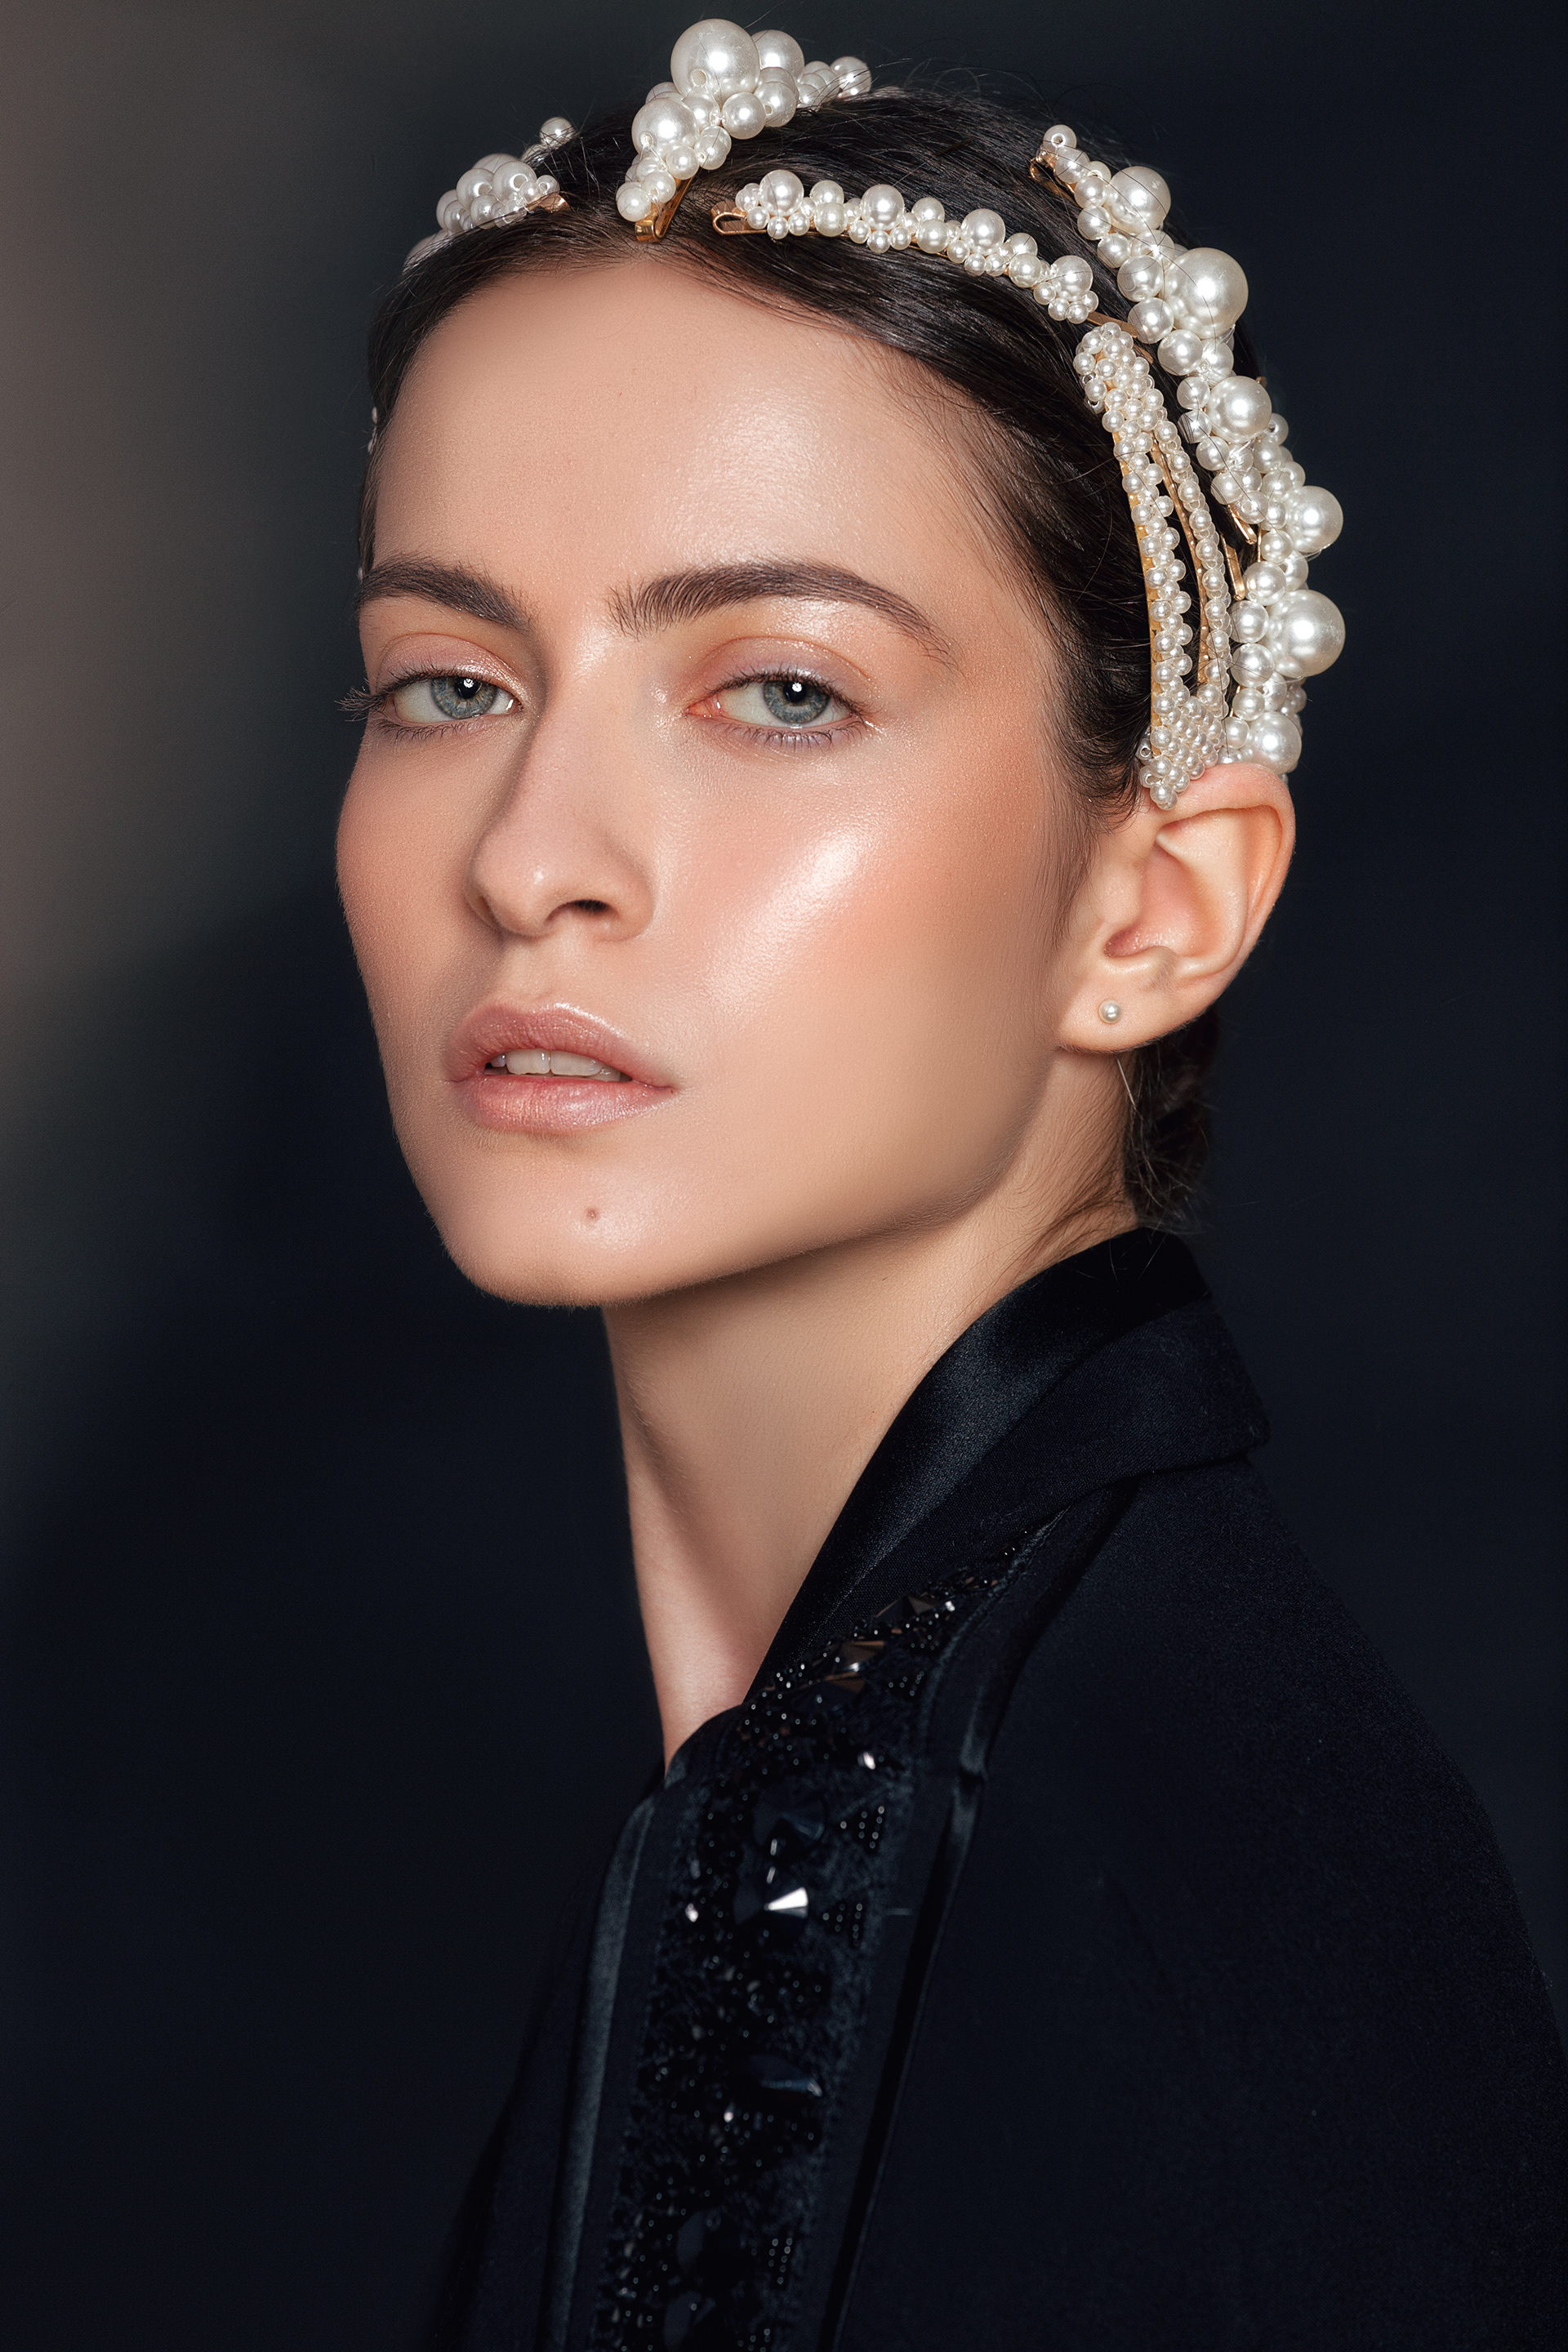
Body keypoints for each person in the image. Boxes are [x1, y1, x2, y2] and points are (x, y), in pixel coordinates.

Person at [336, 24, 1567, 2348]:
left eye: (781, 690)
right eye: (448, 684)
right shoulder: (877, 1764)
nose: (529, 859)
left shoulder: (1146, 1882)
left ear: (1152, 908)